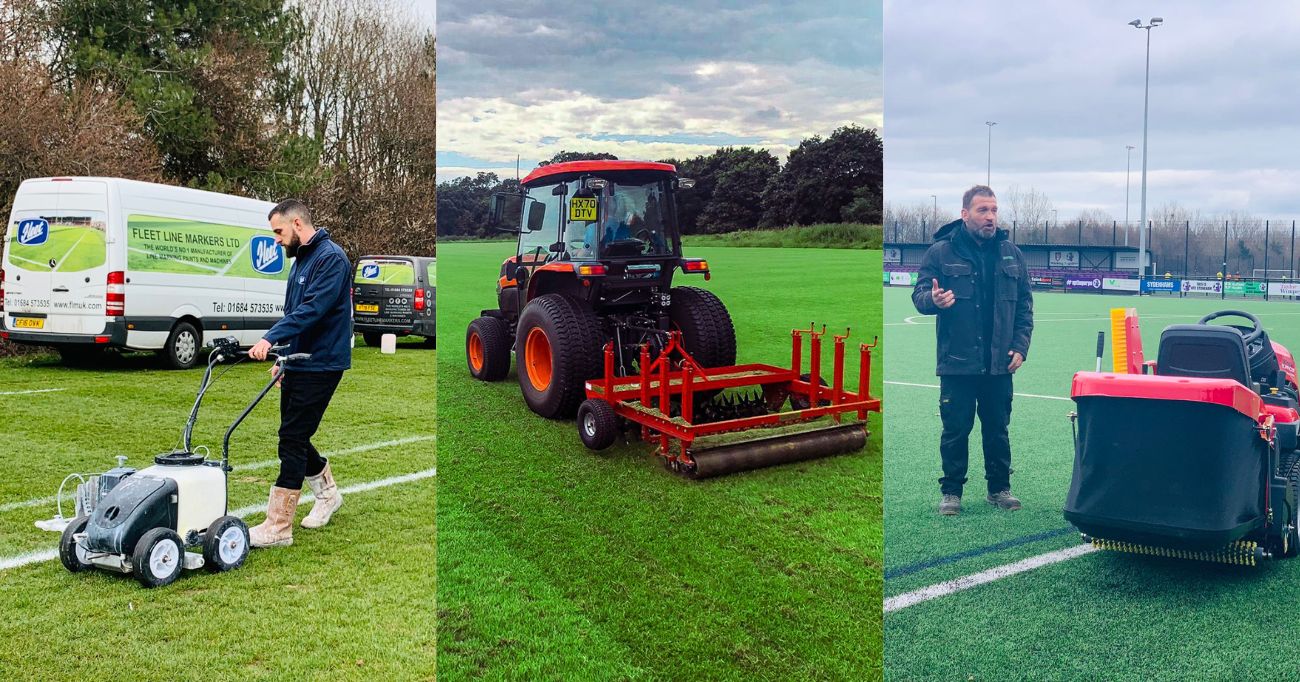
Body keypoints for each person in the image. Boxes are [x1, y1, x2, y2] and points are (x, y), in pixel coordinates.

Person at [911, 185, 1033, 516]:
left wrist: (1021, 346)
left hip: (999, 364)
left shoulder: (1011, 253)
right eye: (983, 210)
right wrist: (932, 301)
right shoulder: (941, 252)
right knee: (955, 430)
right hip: (958, 362)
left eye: (994, 210)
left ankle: (999, 489)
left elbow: (1024, 306)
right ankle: (952, 492)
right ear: (965, 214)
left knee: (997, 430)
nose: (990, 216)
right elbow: (920, 295)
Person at [247, 199, 353, 547]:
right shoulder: (302, 260)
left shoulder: (331, 259)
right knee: (293, 435)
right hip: (299, 360)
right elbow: (296, 310)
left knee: (291, 438)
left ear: (296, 223)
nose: (275, 240)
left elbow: (312, 311)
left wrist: (270, 339)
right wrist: (283, 358)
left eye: (278, 232)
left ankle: (278, 528)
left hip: (322, 363)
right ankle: (328, 494)